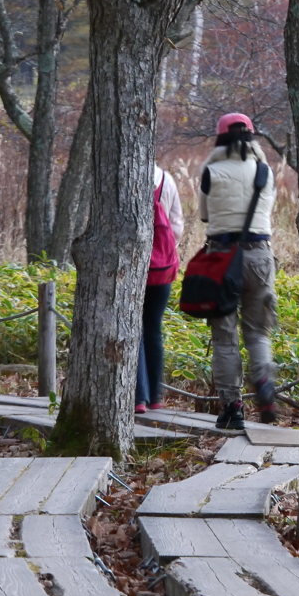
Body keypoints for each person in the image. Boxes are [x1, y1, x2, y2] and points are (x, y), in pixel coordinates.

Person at [198, 113, 278, 429]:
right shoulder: (265, 171)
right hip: (260, 256)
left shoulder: (211, 171)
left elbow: (204, 216)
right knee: (258, 332)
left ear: (220, 139)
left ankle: (232, 407)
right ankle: (264, 382)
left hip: (221, 258)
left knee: (224, 336)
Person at [135, 164, 184, 414]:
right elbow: (177, 227)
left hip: (132, 269)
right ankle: (155, 396)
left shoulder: (126, 175)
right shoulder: (167, 179)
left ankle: (138, 398)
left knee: (135, 330)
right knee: (153, 329)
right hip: (161, 271)